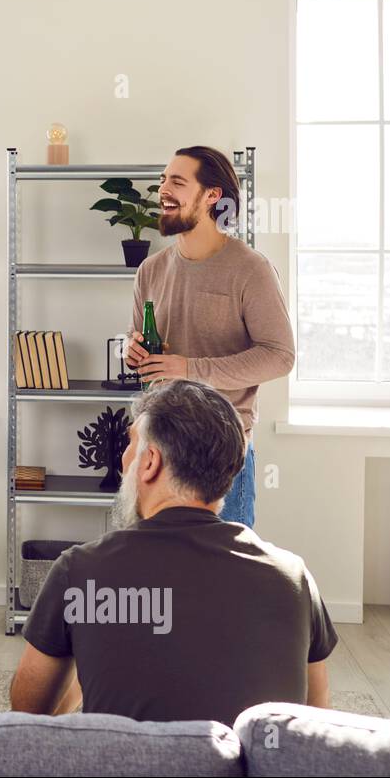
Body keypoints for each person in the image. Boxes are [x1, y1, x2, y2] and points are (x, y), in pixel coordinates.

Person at [9, 379, 336, 726]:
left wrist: (85, 654)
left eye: (130, 444)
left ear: (150, 462)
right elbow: (314, 724)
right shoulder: (294, 579)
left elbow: (28, 716)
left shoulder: (78, 572)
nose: (123, 461)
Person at [125, 146, 295, 528]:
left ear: (212, 195)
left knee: (226, 580)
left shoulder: (251, 269)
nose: (163, 189)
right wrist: (132, 349)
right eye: (164, 180)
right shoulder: (150, 270)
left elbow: (280, 355)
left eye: (178, 182)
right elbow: (139, 339)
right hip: (158, 449)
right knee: (161, 575)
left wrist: (190, 369)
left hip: (222, 453)